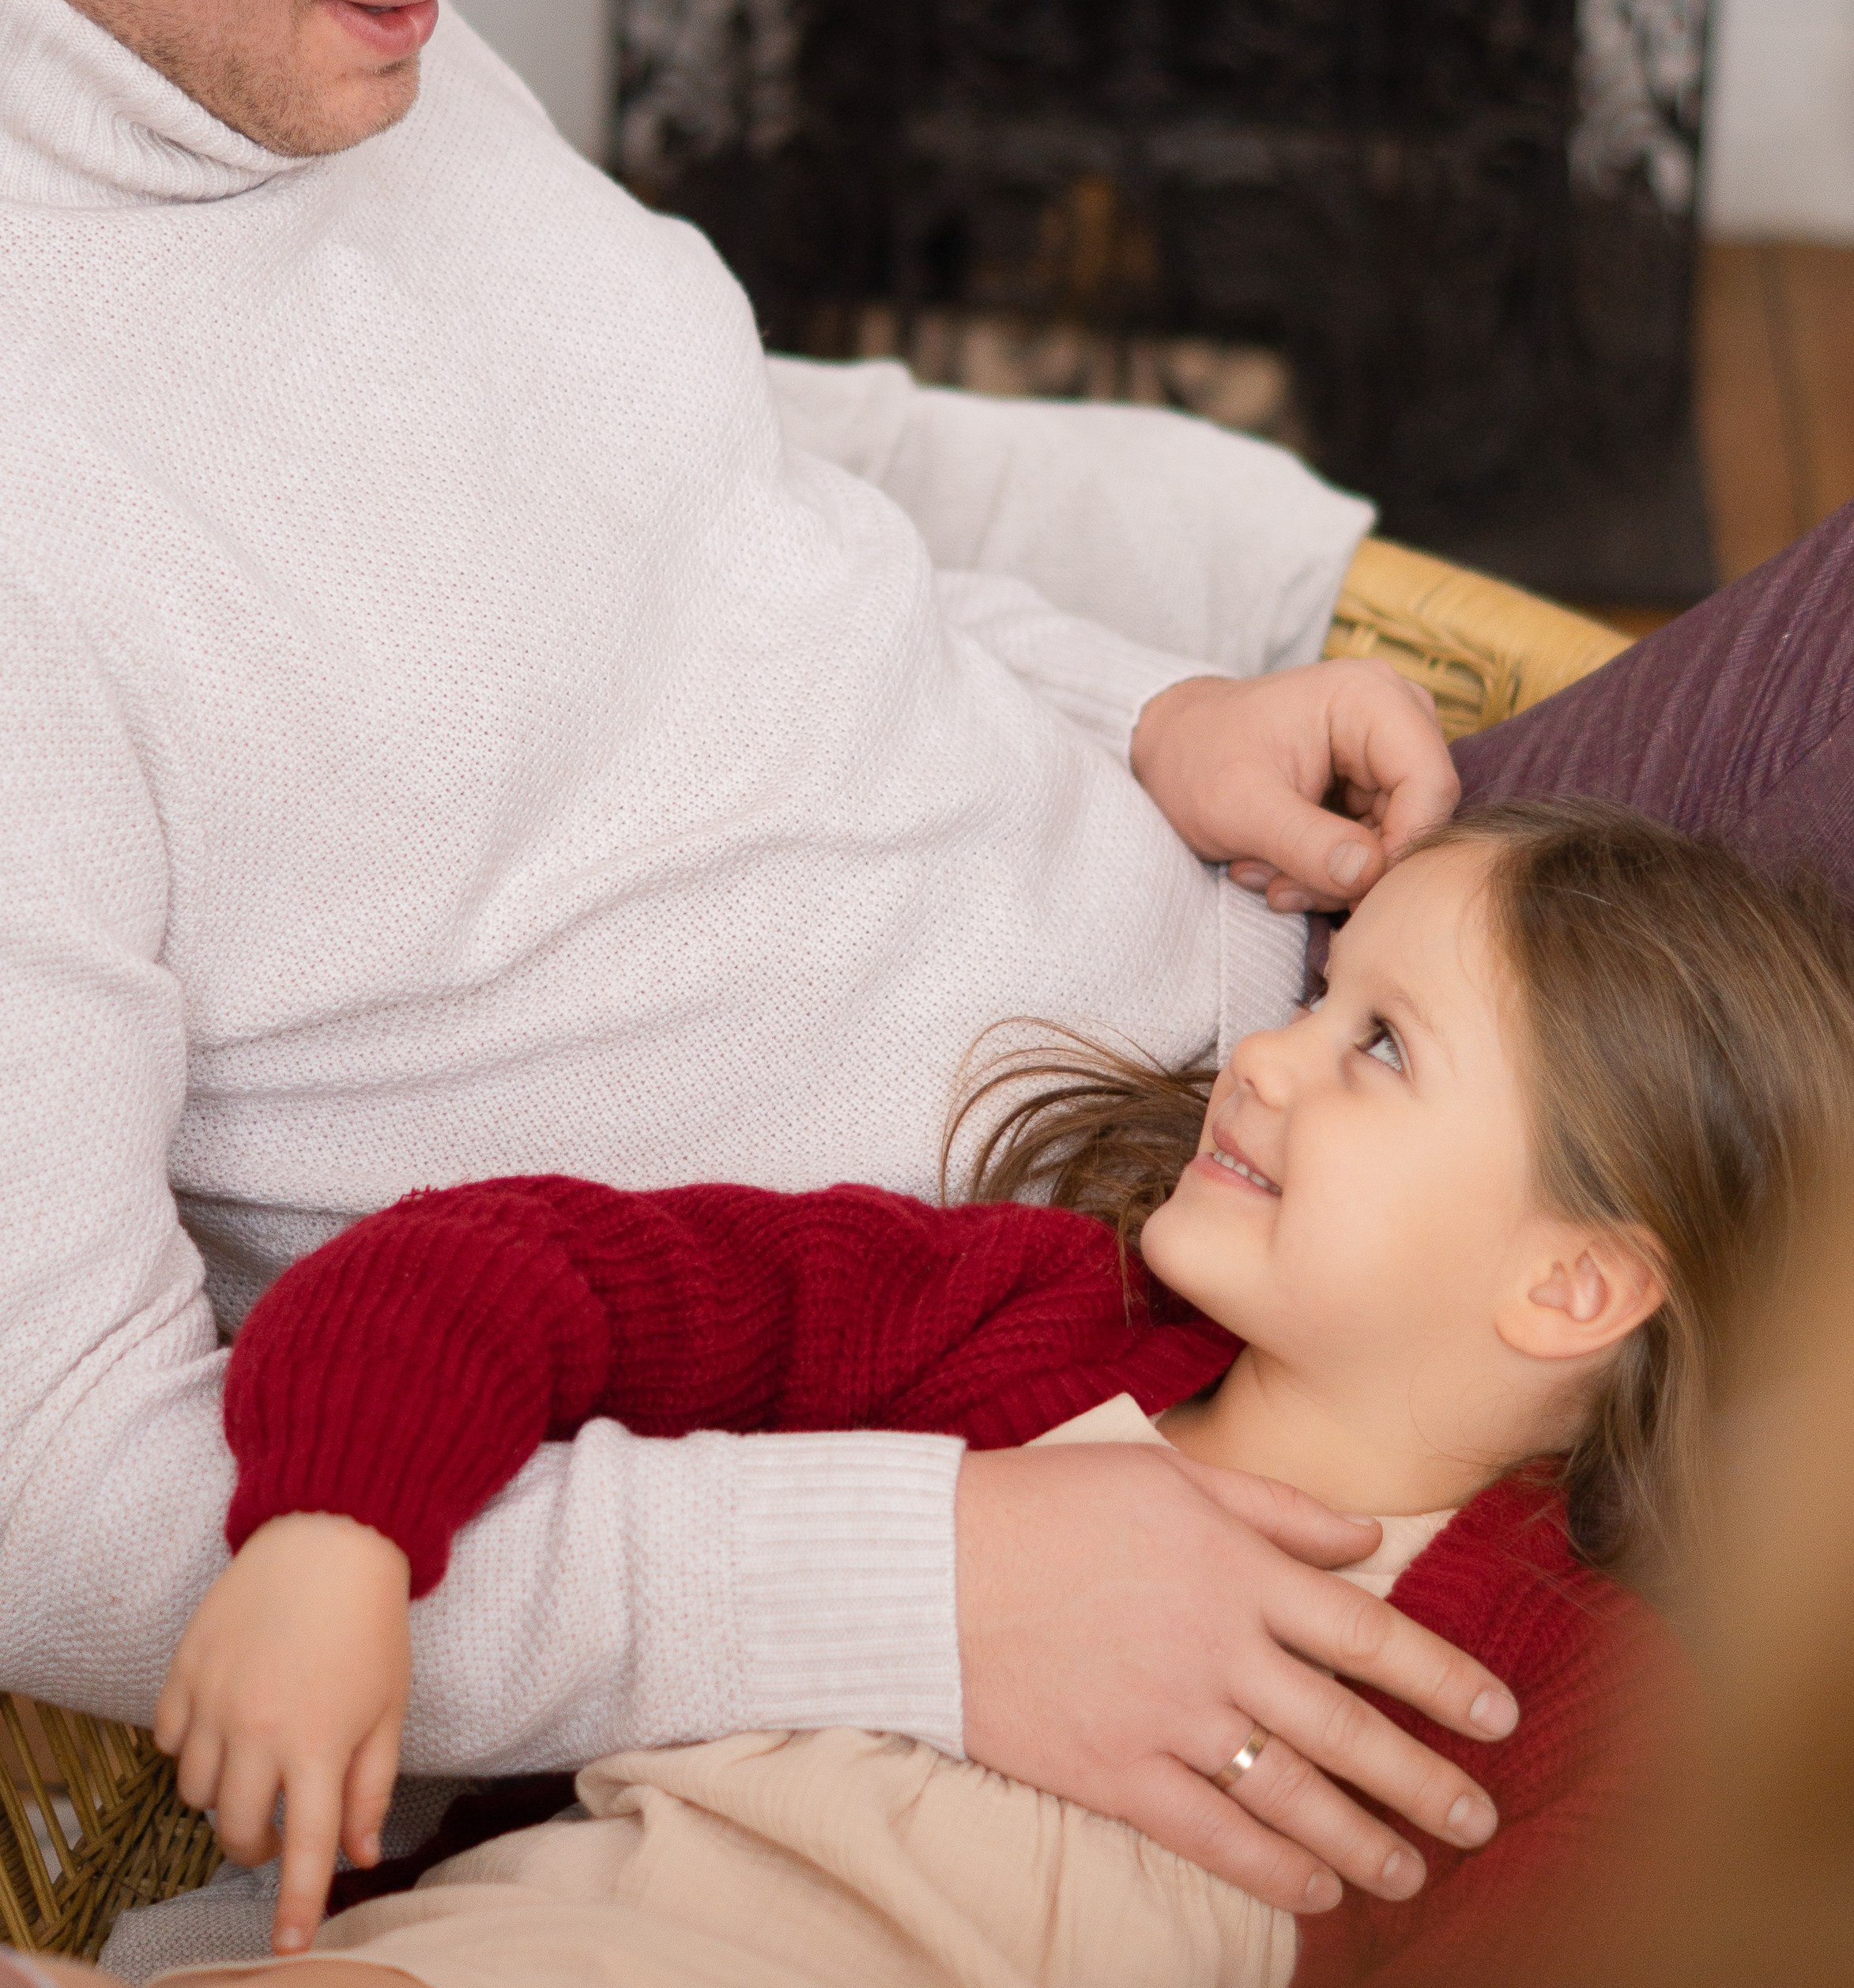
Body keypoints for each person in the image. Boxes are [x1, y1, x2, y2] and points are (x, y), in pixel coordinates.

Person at [0, 0, 1509, 1923]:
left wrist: (1126, 700)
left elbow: (695, 478)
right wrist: (916, 1590)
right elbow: (67, 1500)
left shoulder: (297, 31)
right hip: (1041, 1444)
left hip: (1335, 1046)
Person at [150, 798, 1854, 1982]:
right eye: (1325, 995)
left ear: (1572, 1282)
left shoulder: (1576, 1710)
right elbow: (513, 1261)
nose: (1265, 1051)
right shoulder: (1019, 1323)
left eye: (1381, 1045)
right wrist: (331, 1525)